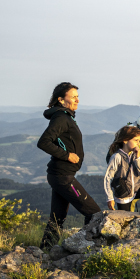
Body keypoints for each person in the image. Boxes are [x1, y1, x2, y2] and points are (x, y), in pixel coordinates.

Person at [36, 82, 102, 248]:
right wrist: (67, 155)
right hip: (62, 176)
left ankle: (45, 251)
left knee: (57, 218)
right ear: (61, 99)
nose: (77, 100)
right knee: (94, 213)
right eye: (73, 97)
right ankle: (84, 247)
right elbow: (44, 142)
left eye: (77, 97)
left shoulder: (66, 116)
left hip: (61, 175)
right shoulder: (61, 118)